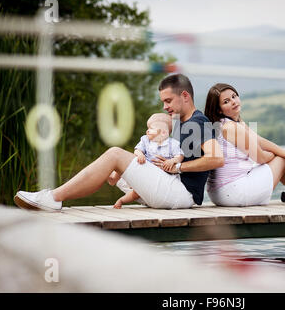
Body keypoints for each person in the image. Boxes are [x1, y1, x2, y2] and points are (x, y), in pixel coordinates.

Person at [14, 74, 223, 211]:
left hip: (181, 194)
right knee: (120, 162)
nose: (165, 107)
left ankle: (54, 197)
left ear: (184, 96)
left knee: (115, 154)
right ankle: (54, 197)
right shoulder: (181, 124)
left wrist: (178, 166)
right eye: (163, 102)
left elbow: (216, 159)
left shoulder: (198, 122)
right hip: (168, 189)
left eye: (168, 101)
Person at [107, 112, 184, 209]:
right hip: (146, 170)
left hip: (162, 178)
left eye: (151, 129)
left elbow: (180, 156)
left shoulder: (172, 144)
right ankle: (114, 177)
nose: (147, 131)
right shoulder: (145, 140)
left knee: (136, 193)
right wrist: (140, 154)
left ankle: (121, 200)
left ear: (163, 132)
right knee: (128, 160)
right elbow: (137, 150)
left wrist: (172, 160)